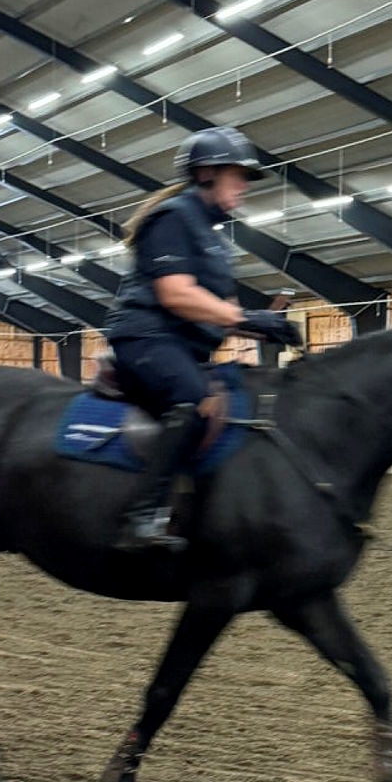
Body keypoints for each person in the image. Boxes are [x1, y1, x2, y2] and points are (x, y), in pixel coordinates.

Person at [103, 126, 302, 551]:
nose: (245, 186)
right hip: (147, 338)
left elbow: (222, 312)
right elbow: (176, 295)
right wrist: (246, 315)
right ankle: (141, 518)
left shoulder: (215, 243)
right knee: (197, 404)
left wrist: (267, 322)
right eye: (239, 175)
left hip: (185, 346)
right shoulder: (175, 216)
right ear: (208, 172)